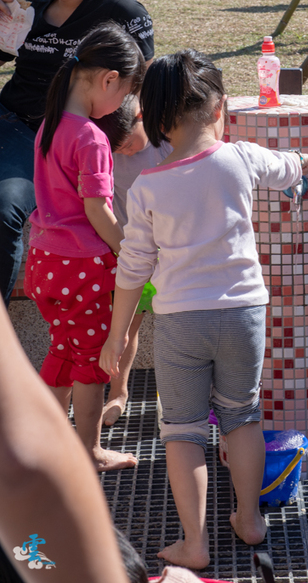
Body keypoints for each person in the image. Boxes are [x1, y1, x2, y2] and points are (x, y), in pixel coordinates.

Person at [100, 51, 308, 569]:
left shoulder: (148, 188)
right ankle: (250, 520)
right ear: (219, 108)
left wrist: (117, 335)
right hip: (244, 314)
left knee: (184, 430)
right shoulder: (240, 158)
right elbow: (288, 167)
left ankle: (194, 543)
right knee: (242, 417)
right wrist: (303, 163)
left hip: (180, 321)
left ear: (154, 120)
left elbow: (132, 268)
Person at [0, 0, 154, 306]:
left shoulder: (123, 13)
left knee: (5, 210)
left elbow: (142, 81)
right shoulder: (29, 11)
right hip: (12, 121)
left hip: (61, 136)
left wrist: (136, 121)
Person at [25, 22, 144, 472]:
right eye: (126, 93)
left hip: (44, 262)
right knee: (92, 363)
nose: (123, 105)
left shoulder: (50, 125)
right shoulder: (91, 137)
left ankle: (51, 444)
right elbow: (97, 210)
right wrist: (131, 251)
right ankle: (89, 451)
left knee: (61, 350)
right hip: (83, 268)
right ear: (109, 80)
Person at [0, 295, 132, 583]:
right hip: (85, 278)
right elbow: (17, 462)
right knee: (90, 356)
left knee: (61, 349)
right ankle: (90, 450)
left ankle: (66, 441)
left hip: (48, 273)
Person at [93, 94, 172, 427]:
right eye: (117, 148)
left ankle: (181, 396)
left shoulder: (168, 144)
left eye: (127, 144)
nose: (123, 151)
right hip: (130, 253)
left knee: (178, 328)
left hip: (172, 253)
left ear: (142, 117)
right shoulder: (108, 152)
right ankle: (118, 392)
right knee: (124, 328)